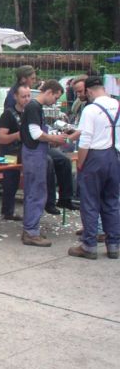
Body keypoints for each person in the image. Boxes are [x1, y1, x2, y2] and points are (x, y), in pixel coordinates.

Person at [67, 75, 120, 259]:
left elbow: (85, 141)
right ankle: (113, 246)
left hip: (95, 157)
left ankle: (89, 245)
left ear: (89, 91)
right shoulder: (117, 105)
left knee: (90, 202)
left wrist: (80, 164)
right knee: (112, 202)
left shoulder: (91, 109)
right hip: (115, 156)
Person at [19, 80, 68, 247]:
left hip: (35, 153)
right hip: (34, 154)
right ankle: (31, 232)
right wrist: (54, 138)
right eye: (56, 97)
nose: (55, 101)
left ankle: (31, 229)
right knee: (36, 192)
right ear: (49, 92)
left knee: (35, 191)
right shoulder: (34, 107)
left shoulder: (35, 107)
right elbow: (35, 133)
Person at [0, 84, 32, 221]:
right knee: (11, 180)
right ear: (15, 97)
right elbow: (1, 138)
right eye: (23, 96)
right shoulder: (8, 114)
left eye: (29, 96)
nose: (27, 99)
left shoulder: (31, 112)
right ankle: (8, 211)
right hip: (10, 153)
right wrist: (17, 136)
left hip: (25, 151)